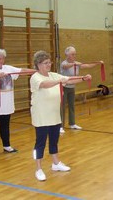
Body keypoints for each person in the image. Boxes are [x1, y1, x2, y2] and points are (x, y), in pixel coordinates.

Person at [31, 50, 91, 181]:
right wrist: (59, 81)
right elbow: (45, 85)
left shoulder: (53, 75)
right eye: (46, 63)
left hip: (54, 114)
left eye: (49, 62)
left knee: (54, 140)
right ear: (38, 64)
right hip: (41, 116)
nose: (49, 65)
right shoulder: (35, 77)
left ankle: (55, 163)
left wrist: (82, 78)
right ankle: (38, 168)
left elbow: (68, 80)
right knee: (40, 143)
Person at [0, 48, 36, 160]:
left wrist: (36, 71)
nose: (1, 60)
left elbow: (21, 71)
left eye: (3, 58)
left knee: (5, 126)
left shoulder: (8, 68)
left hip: (6, 104)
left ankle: (6, 146)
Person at [60, 46, 103, 133]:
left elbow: (87, 65)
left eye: (75, 54)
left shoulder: (76, 63)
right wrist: (75, 64)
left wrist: (98, 63)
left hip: (72, 88)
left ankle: (72, 123)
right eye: (72, 54)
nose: (74, 56)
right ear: (67, 55)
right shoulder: (63, 63)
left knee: (72, 106)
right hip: (63, 88)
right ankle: (60, 126)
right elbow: (66, 66)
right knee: (62, 107)